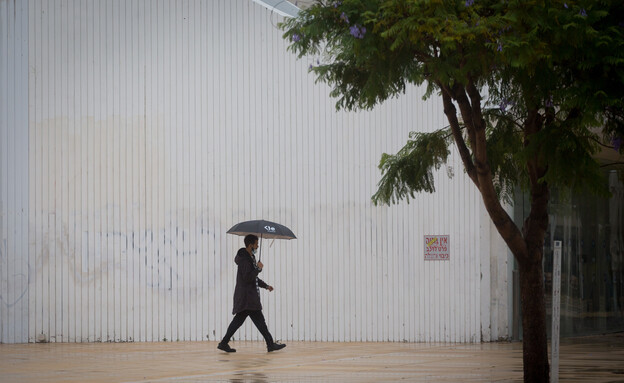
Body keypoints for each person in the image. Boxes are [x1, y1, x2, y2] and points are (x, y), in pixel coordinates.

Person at [218, 234, 286, 353]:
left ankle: (224, 343)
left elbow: (253, 278)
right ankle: (270, 344)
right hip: (247, 298)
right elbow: (248, 277)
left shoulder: (250, 258)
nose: (257, 246)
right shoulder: (245, 260)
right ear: (250, 245)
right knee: (259, 322)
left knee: (240, 321)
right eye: (256, 244)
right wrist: (258, 269)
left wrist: (266, 286)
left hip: (248, 298)